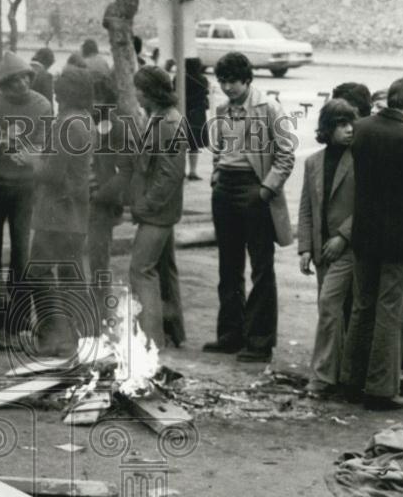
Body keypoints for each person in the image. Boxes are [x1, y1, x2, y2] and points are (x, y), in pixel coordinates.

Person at [341, 75, 403, 410]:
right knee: (390, 310)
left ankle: (352, 380)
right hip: (400, 235)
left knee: (362, 306)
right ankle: (381, 388)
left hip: (365, 232)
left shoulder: (364, 128)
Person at [204, 52, 295, 363]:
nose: (228, 87)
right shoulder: (221, 109)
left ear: (247, 80)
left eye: (233, 81)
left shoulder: (268, 107)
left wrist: (266, 190)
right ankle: (230, 335)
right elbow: (218, 148)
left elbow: (286, 154)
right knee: (228, 267)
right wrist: (217, 174)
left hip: (255, 189)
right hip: (225, 188)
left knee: (260, 268)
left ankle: (259, 341)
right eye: (223, 81)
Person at [0, 51, 53, 336]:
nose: (21, 85)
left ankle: (18, 319)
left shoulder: (42, 105)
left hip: (25, 189)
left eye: (25, 78)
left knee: (22, 255)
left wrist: (31, 153)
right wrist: (1, 140)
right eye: (14, 80)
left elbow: (48, 142)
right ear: (4, 84)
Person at [28, 65, 96, 356]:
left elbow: (52, 173)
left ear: (65, 95)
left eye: (58, 94)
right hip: (78, 212)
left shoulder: (65, 124)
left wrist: (31, 159)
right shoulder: (87, 121)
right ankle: (77, 336)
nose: (55, 99)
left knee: (40, 272)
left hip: (55, 212)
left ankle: (53, 335)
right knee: (72, 274)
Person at [123, 66, 187, 350]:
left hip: (157, 212)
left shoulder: (168, 123)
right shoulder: (159, 118)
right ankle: (173, 333)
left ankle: (151, 341)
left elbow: (170, 175)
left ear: (151, 93)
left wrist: (145, 207)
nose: (136, 94)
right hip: (159, 210)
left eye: (140, 89)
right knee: (165, 269)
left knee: (141, 270)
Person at [298, 100, 358, 398]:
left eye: (351, 123)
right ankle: (342, 375)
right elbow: (307, 207)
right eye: (341, 124)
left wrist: (343, 237)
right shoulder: (313, 162)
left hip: (348, 248)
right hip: (322, 250)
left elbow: (366, 205)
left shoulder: (359, 159)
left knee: (329, 304)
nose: (348, 129)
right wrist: (305, 248)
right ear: (327, 128)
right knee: (335, 309)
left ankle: (321, 377)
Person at [87, 72, 127, 322]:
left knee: (100, 260)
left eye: (97, 99)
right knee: (93, 259)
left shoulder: (115, 126)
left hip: (101, 201)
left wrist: (102, 194)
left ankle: (102, 312)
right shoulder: (87, 121)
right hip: (86, 199)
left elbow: (123, 171)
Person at [183, 58, 210, 180]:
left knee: (181, 143)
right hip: (197, 114)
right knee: (194, 145)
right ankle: (192, 171)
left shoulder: (179, 78)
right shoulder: (202, 80)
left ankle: (181, 170)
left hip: (183, 112)